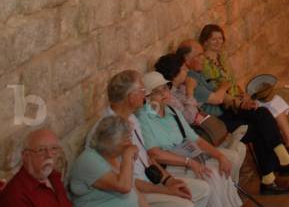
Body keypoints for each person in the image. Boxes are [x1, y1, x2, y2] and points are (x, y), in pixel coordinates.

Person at [178, 41, 289, 196]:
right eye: (198, 55)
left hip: (226, 112)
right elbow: (217, 98)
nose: (203, 58)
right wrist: (225, 85)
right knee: (258, 129)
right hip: (217, 124)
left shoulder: (197, 74)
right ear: (186, 59)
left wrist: (240, 103)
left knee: (262, 112)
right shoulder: (190, 81)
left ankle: (281, 163)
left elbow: (224, 97)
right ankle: (273, 173)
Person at [86, 71, 209, 207]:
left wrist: (168, 180)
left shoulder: (132, 119)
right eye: (142, 90)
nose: (145, 95)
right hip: (131, 193)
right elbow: (123, 182)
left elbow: (147, 158)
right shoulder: (106, 131)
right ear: (130, 96)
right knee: (185, 204)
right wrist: (166, 190)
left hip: (150, 180)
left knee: (202, 189)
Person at [196, 25, 289, 154]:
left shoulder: (222, 58)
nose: (218, 42)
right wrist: (239, 100)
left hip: (238, 97)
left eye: (220, 38)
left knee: (276, 101)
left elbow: (232, 82)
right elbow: (218, 89)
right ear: (205, 41)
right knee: (266, 110)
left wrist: (243, 93)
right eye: (214, 39)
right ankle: (288, 142)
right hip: (230, 105)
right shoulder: (204, 64)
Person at [135, 72, 241, 207]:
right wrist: (188, 162)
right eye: (157, 91)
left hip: (187, 155)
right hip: (168, 165)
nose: (164, 93)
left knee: (220, 170)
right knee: (212, 174)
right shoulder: (143, 118)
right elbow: (154, 154)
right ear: (147, 97)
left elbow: (195, 138)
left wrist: (220, 156)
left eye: (165, 88)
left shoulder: (172, 111)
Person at [153, 54, 246, 184]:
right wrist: (190, 93)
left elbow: (195, 109)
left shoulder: (182, 87)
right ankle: (230, 185)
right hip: (194, 137)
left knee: (240, 147)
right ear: (175, 73)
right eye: (184, 69)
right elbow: (190, 117)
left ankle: (232, 186)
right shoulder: (170, 97)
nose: (187, 71)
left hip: (200, 131)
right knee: (233, 156)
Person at [68, 115, 145, 207]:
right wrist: (128, 155)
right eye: (126, 139)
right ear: (112, 141)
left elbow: (133, 189)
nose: (130, 144)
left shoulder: (116, 154)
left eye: (129, 137)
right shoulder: (89, 160)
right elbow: (125, 186)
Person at [0, 127, 73, 206]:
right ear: (26, 156)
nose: (49, 155)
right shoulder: (15, 195)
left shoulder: (54, 177)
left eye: (54, 148)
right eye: (41, 150)